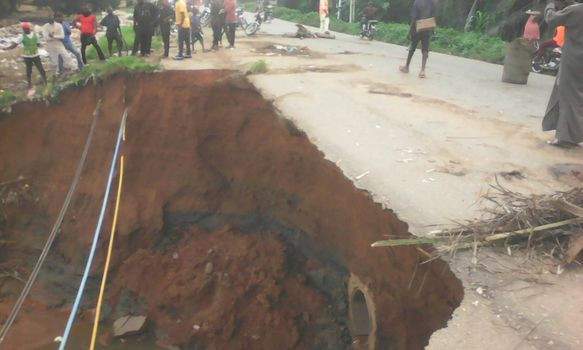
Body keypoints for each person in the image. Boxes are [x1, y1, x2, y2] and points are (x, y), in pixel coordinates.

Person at [542, 0, 583, 147]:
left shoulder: (576, 10)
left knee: (567, 95)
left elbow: (551, 19)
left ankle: (565, 138)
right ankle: (574, 135)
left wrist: (550, 5)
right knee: (578, 96)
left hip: (573, 59)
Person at [399, 0, 436, 78]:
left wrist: (410, 31)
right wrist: (432, 29)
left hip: (417, 26)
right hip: (427, 27)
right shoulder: (431, 2)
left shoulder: (417, 2)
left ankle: (407, 67)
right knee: (425, 49)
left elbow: (414, 17)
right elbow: (433, 16)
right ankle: (422, 71)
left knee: (412, 47)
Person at [18, 22, 47, 90]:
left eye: (26, 29)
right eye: (24, 29)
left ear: (29, 28)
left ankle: (45, 82)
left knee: (41, 69)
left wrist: (43, 46)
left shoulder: (35, 35)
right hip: (27, 56)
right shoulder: (22, 36)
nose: (25, 30)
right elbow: (15, 44)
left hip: (35, 55)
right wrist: (7, 48)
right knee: (29, 70)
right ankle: (29, 83)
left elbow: (38, 44)